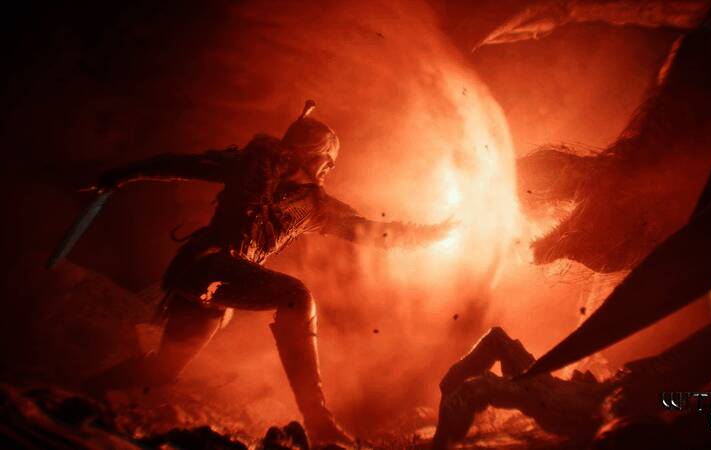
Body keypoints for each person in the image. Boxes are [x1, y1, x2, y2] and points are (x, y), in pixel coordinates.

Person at [83, 100, 454, 444]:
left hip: (218, 286)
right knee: (295, 296)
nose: (330, 169)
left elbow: (372, 232)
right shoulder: (253, 165)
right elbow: (179, 164)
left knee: (165, 369)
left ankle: (81, 391)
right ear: (313, 154)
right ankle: (318, 420)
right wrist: (119, 175)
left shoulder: (315, 206)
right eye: (328, 159)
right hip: (206, 265)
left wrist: (429, 235)